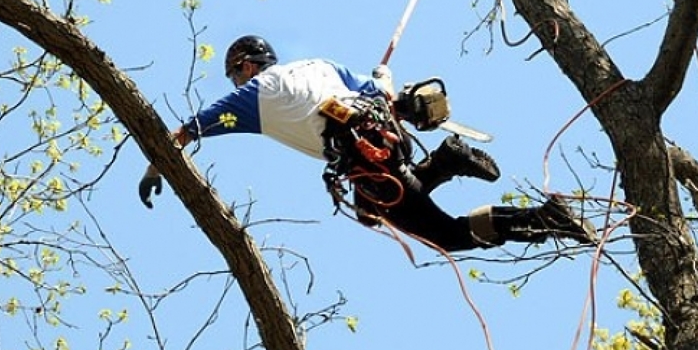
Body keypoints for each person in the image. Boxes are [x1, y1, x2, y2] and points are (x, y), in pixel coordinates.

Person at [138, 35, 596, 252]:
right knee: (369, 211)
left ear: (246, 65)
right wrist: (384, 78)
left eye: (235, 71)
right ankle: (442, 164)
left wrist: (155, 168)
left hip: (364, 158)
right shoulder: (319, 62)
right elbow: (381, 93)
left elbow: (189, 129)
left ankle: (545, 218)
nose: (235, 79)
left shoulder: (254, 94)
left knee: (451, 237)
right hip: (389, 144)